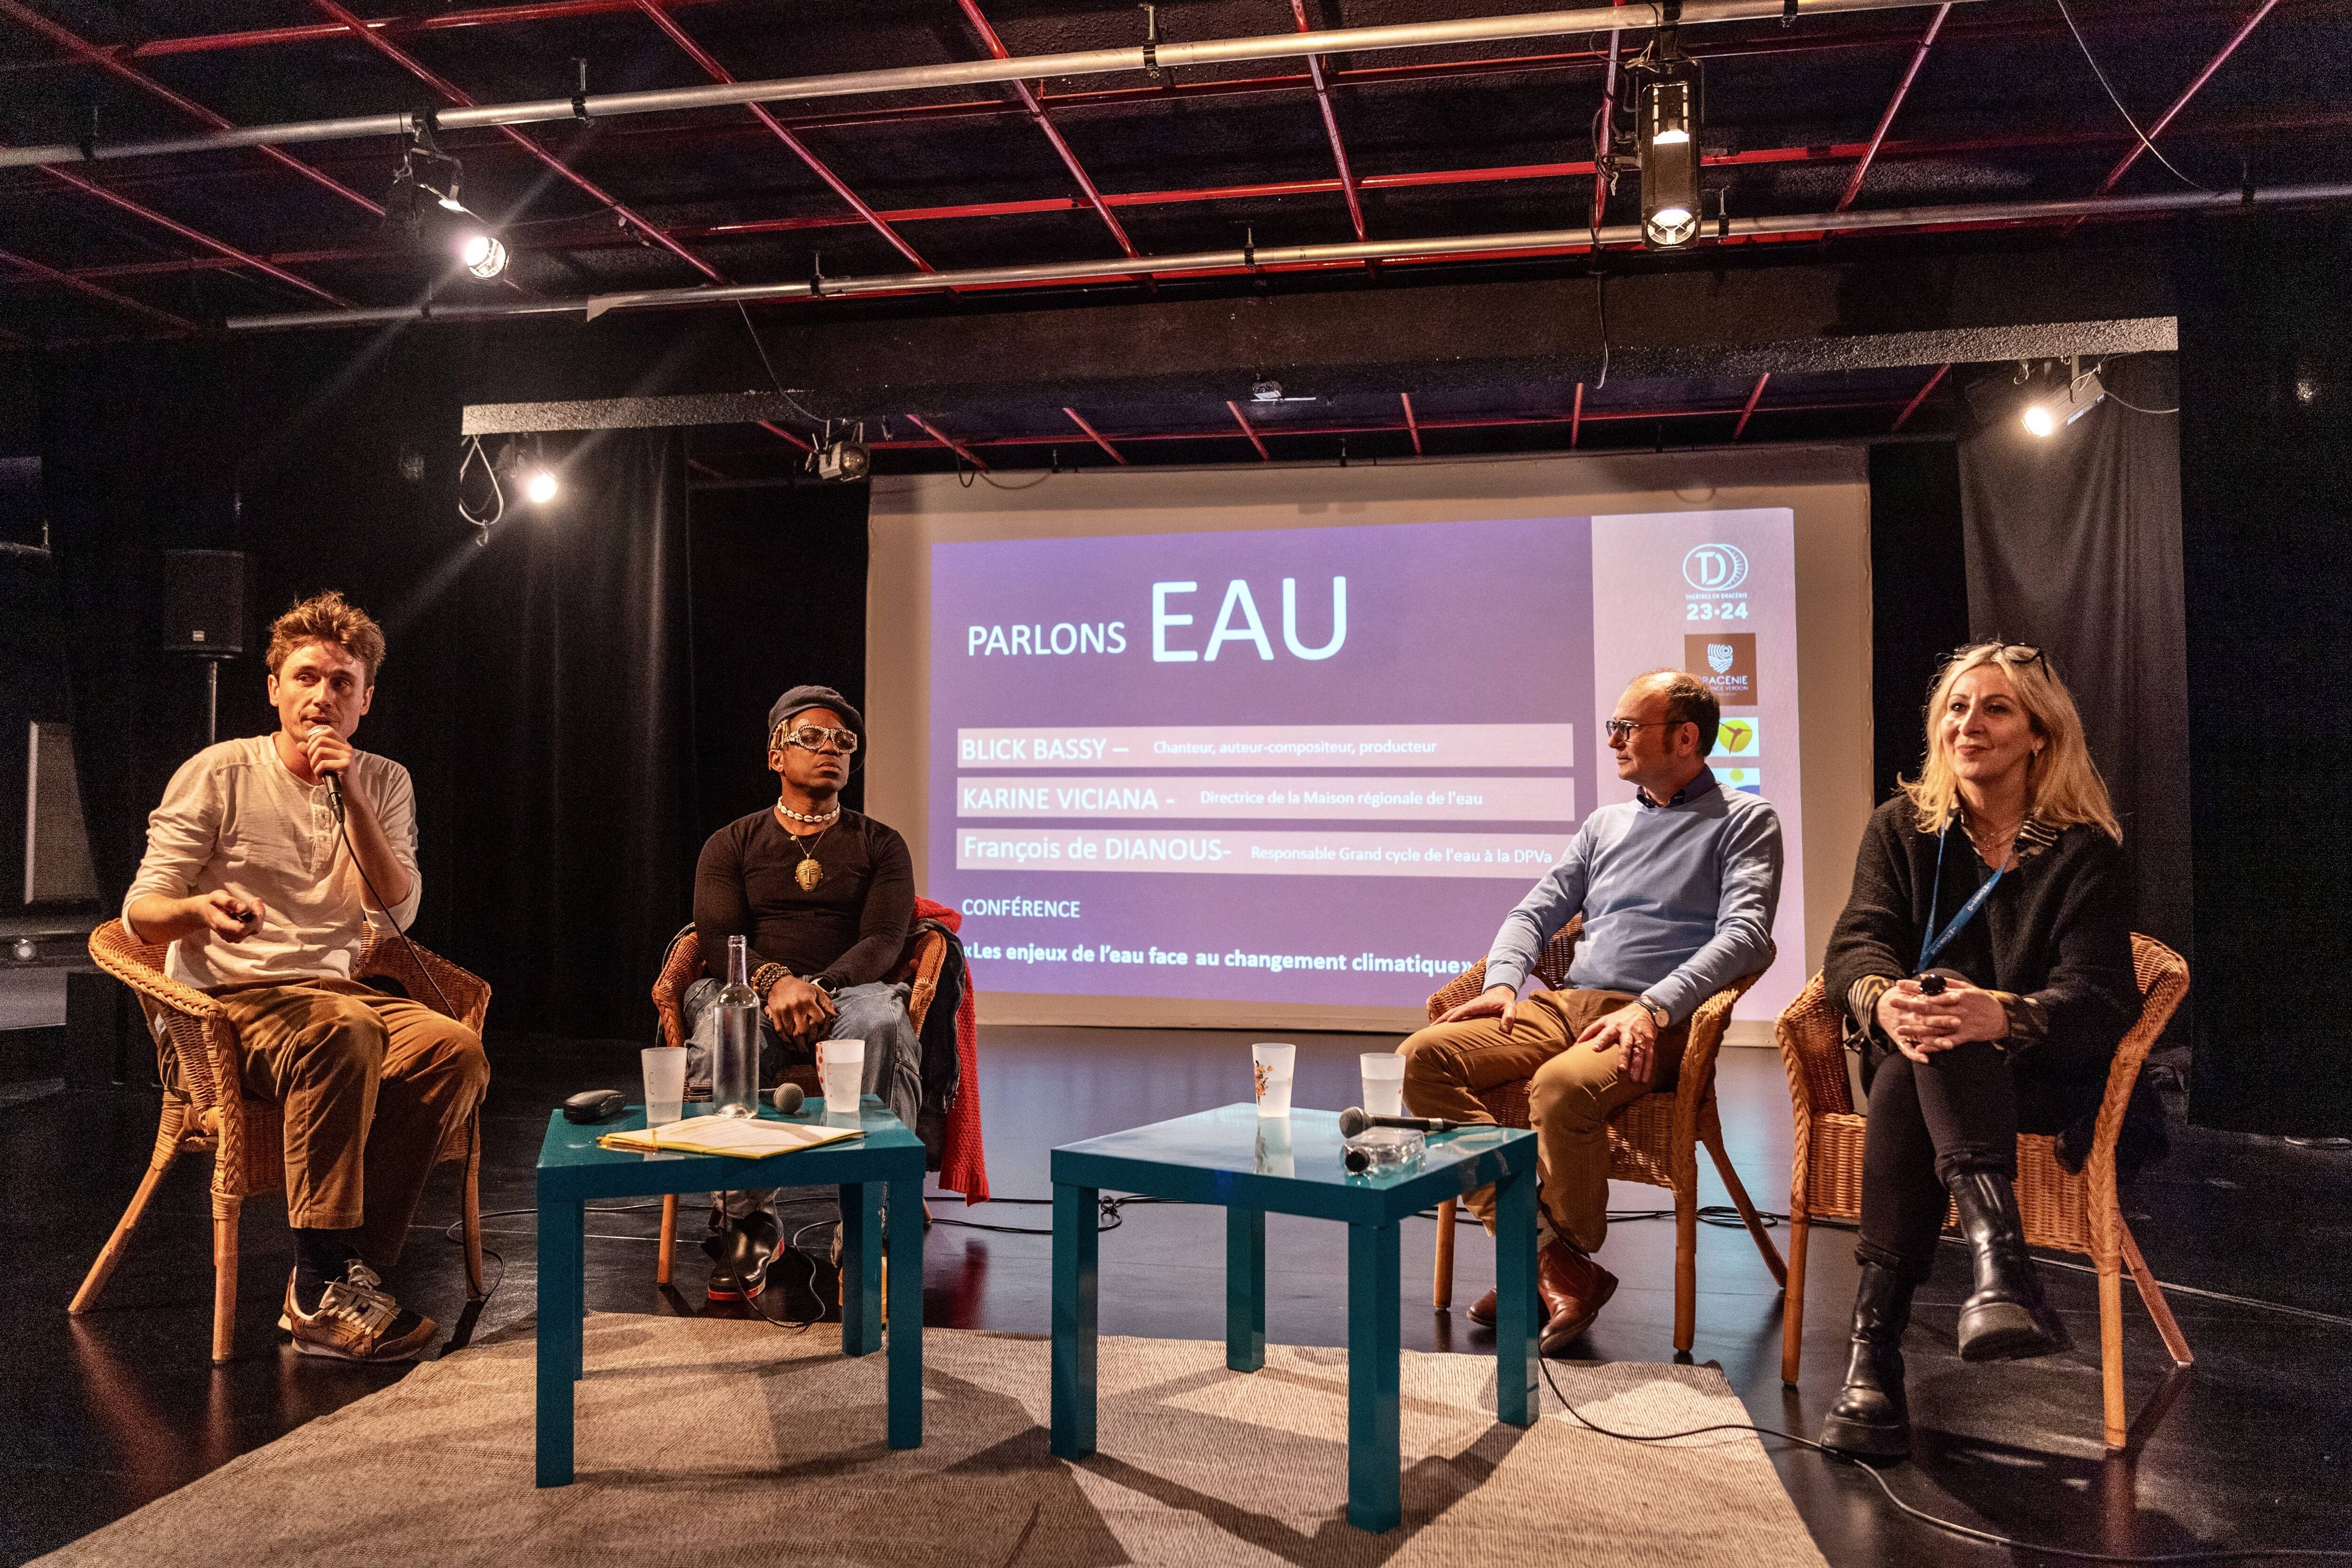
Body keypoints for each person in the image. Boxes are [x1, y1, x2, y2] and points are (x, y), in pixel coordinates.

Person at [123, 591, 488, 1363]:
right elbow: (139, 915)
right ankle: (319, 1291)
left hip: (333, 998)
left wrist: (350, 790)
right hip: (222, 1009)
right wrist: (199, 908)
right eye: (307, 676)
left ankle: (347, 1265)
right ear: (274, 688)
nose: (323, 695)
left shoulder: (384, 781)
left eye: (342, 683)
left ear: (366, 700)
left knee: (454, 1050)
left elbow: (395, 913)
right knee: (344, 1028)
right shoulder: (218, 773)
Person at [1397, 670, 1783, 1356]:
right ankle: (1550, 1260)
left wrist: (1655, 1008)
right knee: (1423, 1056)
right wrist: (1506, 979)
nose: (1613, 741)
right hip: (1566, 1003)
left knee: (1560, 1088)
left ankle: (1546, 1263)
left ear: (1686, 737)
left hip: (1656, 1021)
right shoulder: (1606, 823)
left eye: (1627, 728)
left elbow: (1746, 935)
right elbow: (1535, 911)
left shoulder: (1747, 821)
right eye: (1615, 727)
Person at [1818, 642, 2138, 1462]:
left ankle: (1873, 1355)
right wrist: (1885, 998)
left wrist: (2000, 1013)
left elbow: (2100, 995)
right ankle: (2001, 1269)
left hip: (2035, 1073)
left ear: (2039, 733)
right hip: (1920, 1053)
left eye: (1996, 708)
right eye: (1957, 708)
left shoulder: (2083, 850)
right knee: (1925, 1033)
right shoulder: (1903, 828)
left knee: (1928, 1048)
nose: (1971, 724)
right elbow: (1855, 946)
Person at [684, 685, 920, 1302]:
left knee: (881, 1024)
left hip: (849, 991)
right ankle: (746, 1222)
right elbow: (716, 938)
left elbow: (886, 939)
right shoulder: (731, 843)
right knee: (721, 1029)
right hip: (750, 986)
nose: (831, 749)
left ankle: (872, 1224)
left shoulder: (882, 844)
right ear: (776, 754)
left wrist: (817, 987)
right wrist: (774, 983)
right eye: (811, 737)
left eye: (844, 741)